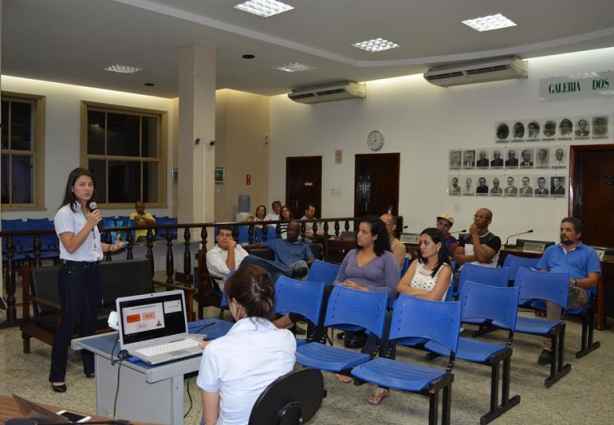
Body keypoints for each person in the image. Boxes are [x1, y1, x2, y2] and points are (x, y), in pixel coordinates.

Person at [50, 167, 125, 393]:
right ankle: (57, 376)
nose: (87, 188)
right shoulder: (65, 213)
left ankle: (90, 367)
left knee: (89, 322)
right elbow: (71, 245)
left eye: (90, 185)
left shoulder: (90, 212)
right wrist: (90, 224)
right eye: (82, 184)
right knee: (69, 322)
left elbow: (91, 244)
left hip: (93, 271)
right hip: (73, 273)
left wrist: (110, 247)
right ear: (72, 188)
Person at [196, 264, 296, 425]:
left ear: (235, 304)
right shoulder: (287, 338)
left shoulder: (217, 350)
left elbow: (210, 421)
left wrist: (216, 352)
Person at [369, 227, 454, 406]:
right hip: (407, 315)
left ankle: (367, 358)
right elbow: (400, 287)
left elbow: (433, 299)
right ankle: (382, 382)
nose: (421, 246)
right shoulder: (416, 263)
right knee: (386, 320)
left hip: (430, 320)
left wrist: (412, 293)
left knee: (388, 320)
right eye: (420, 242)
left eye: (426, 243)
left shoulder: (445, 270)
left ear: (438, 246)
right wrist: (422, 292)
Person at [535, 218, 600, 366]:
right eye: (562, 229)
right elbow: (542, 271)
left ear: (578, 234)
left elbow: (593, 280)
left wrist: (574, 282)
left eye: (568, 230)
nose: (563, 232)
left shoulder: (589, 253)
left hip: (577, 290)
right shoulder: (551, 250)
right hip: (552, 286)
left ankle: (548, 348)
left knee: (554, 299)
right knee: (536, 288)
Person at [242, 221, 314, 281]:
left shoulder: (304, 246)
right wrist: (241, 246)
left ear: (298, 233)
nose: (289, 232)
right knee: (277, 274)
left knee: (301, 263)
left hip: (298, 271)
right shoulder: (278, 242)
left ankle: (303, 291)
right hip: (280, 271)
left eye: (292, 230)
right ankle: (289, 271)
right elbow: (258, 245)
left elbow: (311, 259)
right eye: (288, 230)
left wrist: (302, 263)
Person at [206, 226, 250, 291]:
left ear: (232, 239)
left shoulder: (238, 248)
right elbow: (230, 271)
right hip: (230, 287)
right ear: (217, 238)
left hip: (246, 281)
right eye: (221, 235)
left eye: (228, 235)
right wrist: (231, 248)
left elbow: (250, 263)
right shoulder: (212, 254)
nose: (224, 238)